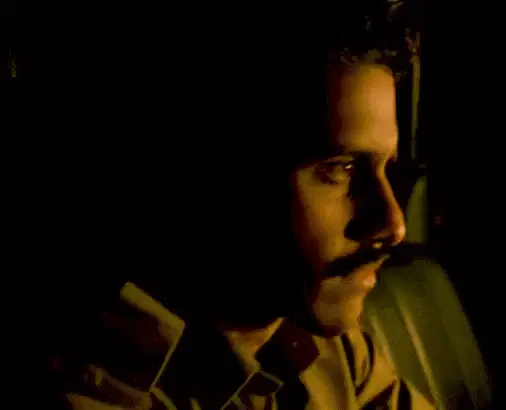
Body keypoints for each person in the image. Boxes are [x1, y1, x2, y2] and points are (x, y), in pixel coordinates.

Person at [25, 2, 435, 409]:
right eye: (339, 168)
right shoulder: (88, 392)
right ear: (219, 168)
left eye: (387, 169)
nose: (393, 223)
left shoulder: (330, 353)